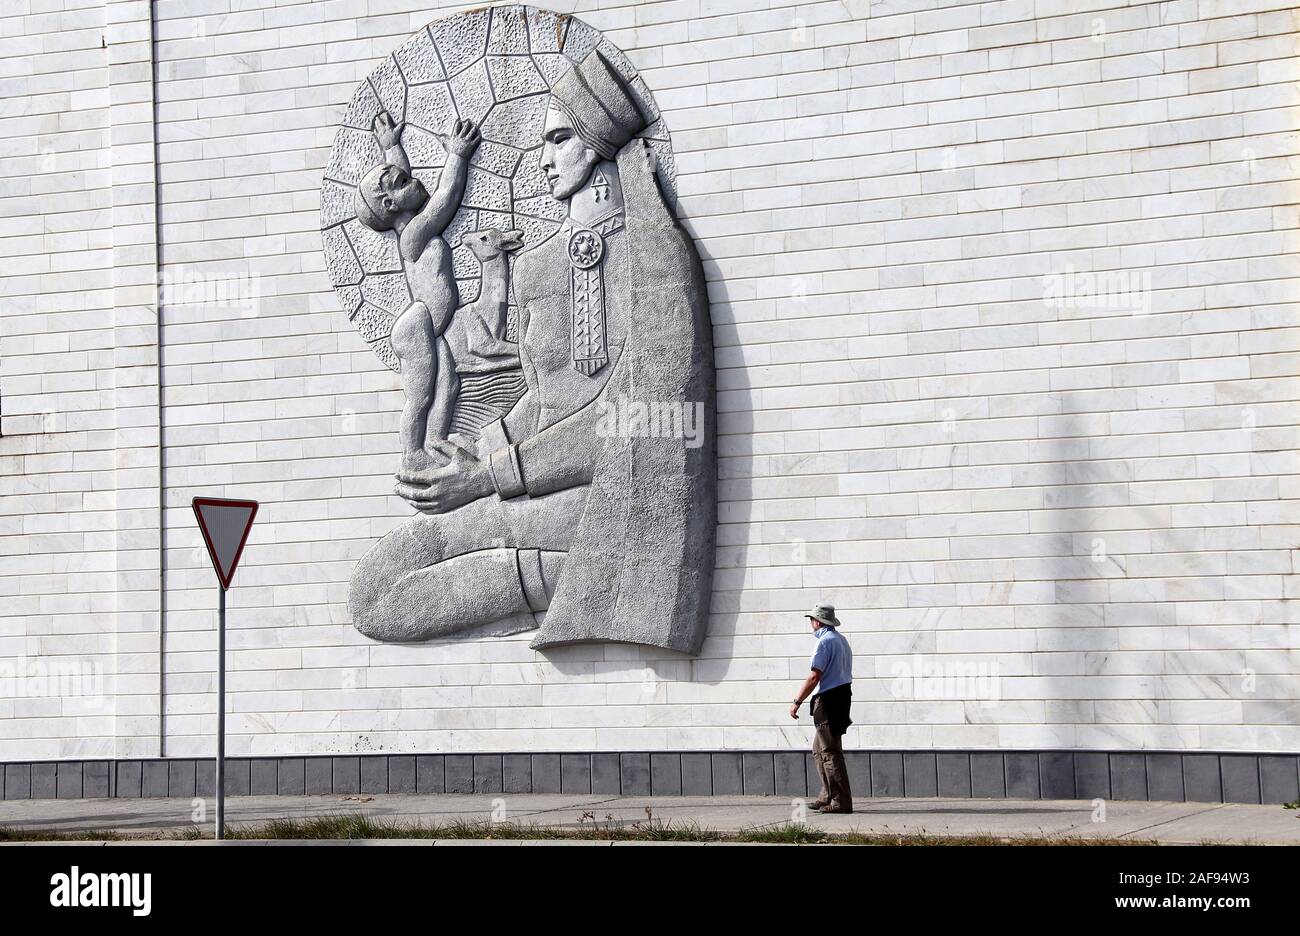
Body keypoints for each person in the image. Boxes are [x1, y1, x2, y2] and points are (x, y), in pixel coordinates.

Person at [347, 51, 715, 654]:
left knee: (380, 594)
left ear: (597, 146)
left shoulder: (657, 259)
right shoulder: (541, 264)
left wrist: (487, 477)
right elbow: (543, 397)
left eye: (560, 138)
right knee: (378, 579)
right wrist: (469, 450)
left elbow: (641, 421)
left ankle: (593, 583)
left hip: (608, 506)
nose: (545, 157)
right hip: (529, 486)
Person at [353, 113, 482, 478]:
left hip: (432, 326)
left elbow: (396, 180)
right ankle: (412, 454)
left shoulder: (407, 219)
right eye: (404, 182)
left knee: (449, 384)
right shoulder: (413, 234)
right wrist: (457, 155)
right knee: (421, 394)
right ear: (391, 207)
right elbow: (445, 197)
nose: (415, 181)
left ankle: (436, 440)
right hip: (418, 325)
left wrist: (391, 146)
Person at [789, 603, 854, 813]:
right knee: (819, 750)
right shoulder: (841, 640)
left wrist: (797, 701)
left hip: (829, 699)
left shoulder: (825, 642)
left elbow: (815, 675)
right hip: (841, 696)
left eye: (811, 620)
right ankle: (827, 795)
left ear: (817, 621)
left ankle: (840, 802)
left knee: (829, 752)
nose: (810, 624)